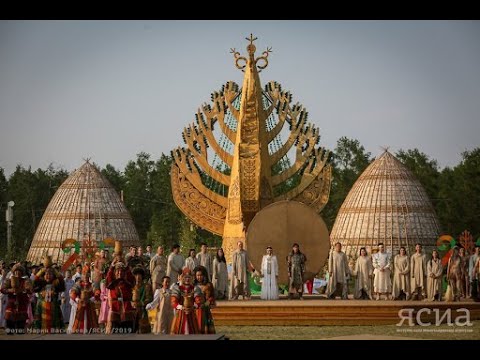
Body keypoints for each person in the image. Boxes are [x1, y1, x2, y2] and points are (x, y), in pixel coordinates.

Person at [33, 258, 66, 333]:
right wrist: (41, 271)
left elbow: (61, 281)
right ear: (43, 275)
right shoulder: (41, 283)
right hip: (41, 306)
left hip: (53, 305)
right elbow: (34, 282)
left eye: (50, 274)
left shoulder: (55, 283)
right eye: (46, 274)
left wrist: (55, 271)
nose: (48, 276)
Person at [0, 263, 32, 334]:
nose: (17, 273)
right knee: (10, 328)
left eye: (19, 271)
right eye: (16, 271)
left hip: (22, 304)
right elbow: (2, 289)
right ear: (14, 272)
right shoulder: (9, 280)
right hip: (11, 304)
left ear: (22, 272)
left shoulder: (25, 281)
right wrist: (9, 290)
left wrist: (24, 290)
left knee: (20, 329)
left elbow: (30, 291)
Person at [106, 260, 135, 334]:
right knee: (115, 331)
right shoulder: (112, 284)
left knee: (128, 331)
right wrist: (112, 267)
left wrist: (127, 268)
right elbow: (108, 280)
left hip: (126, 308)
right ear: (115, 273)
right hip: (115, 308)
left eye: (122, 271)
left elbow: (132, 281)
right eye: (118, 271)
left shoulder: (127, 283)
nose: (120, 273)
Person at [170, 268, 202, 334]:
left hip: (191, 313)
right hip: (180, 314)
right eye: (185, 277)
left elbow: (198, 300)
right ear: (182, 277)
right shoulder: (177, 288)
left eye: (189, 277)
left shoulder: (195, 288)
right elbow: (173, 301)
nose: (187, 279)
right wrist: (181, 307)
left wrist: (194, 306)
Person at [70, 264, 99, 334]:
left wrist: (91, 299)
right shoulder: (78, 284)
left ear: (89, 276)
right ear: (82, 276)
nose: (85, 277)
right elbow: (72, 293)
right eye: (84, 275)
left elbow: (97, 293)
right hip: (81, 305)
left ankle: (91, 329)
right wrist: (78, 300)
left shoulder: (92, 285)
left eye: (87, 276)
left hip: (90, 305)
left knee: (90, 317)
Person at [193, 266, 216, 334]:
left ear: (204, 275)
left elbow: (212, 297)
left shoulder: (208, 285)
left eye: (201, 275)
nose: (199, 277)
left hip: (205, 311)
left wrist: (206, 303)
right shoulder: (192, 285)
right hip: (195, 311)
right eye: (197, 275)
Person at [132, 266, 153, 334]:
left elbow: (149, 299)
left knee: (143, 331)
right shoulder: (132, 287)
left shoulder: (147, 286)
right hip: (132, 312)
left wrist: (140, 303)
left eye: (139, 275)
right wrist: (131, 303)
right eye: (136, 275)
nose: (138, 277)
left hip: (143, 311)